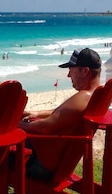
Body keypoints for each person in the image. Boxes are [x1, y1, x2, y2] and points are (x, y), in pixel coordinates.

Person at [18, 47, 102, 180]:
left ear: (85, 71)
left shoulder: (83, 97)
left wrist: (15, 124)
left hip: (39, 164)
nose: (69, 75)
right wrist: (36, 113)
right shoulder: (94, 96)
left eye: (71, 70)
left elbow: (44, 128)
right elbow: (64, 113)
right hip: (58, 161)